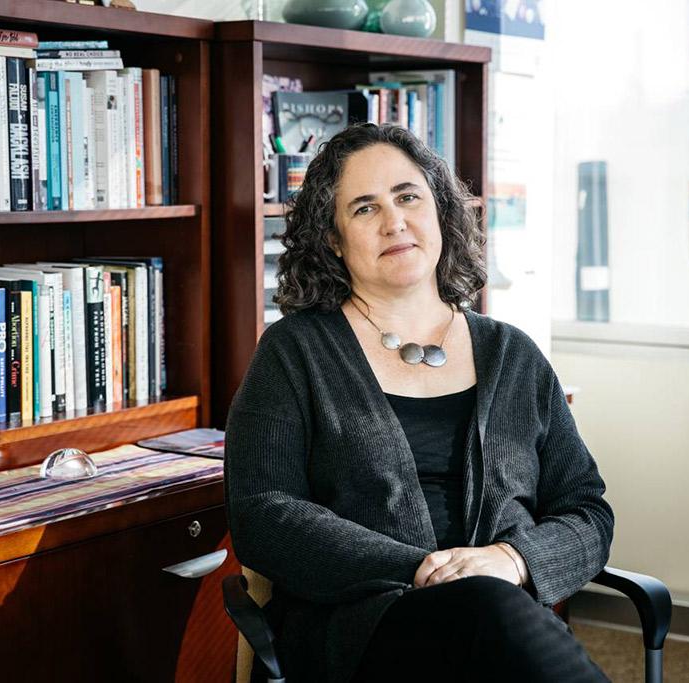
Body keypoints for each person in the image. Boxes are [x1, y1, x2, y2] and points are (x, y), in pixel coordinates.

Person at [225, 123, 613, 683]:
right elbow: (264, 514)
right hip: (366, 634)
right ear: (333, 238)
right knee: (486, 611)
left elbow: (586, 509)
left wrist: (513, 560)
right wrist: (423, 569)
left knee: (492, 617)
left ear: (440, 214)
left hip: (501, 625)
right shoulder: (294, 352)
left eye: (408, 197)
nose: (394, 221)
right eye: (364, 208)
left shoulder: (513, 355)